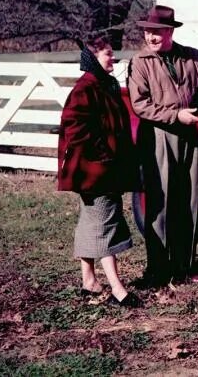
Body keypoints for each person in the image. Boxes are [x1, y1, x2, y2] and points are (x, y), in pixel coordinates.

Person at [127, 5, 198, 287]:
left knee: (188, 200)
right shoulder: (140, 62)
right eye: (147, 31)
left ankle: (184, 267)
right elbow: (140, 104)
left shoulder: (191, 57)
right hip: (157, 135)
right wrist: (175, 115)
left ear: (169, 32)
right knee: (160, 202)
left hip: (188, 137)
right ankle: (158, 270)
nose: (151, 37)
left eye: (157, 32)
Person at [58, 36, 143, 307]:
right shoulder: (85, 89)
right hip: (95, 172)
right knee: (106, 224)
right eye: (108, 54)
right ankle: (118, 290)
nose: (113, 58)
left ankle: (89, 282)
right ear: (94, 57)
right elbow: (75, 129)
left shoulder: (105, 85)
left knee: (91, 223)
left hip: (102, 169)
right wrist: (103, 155)